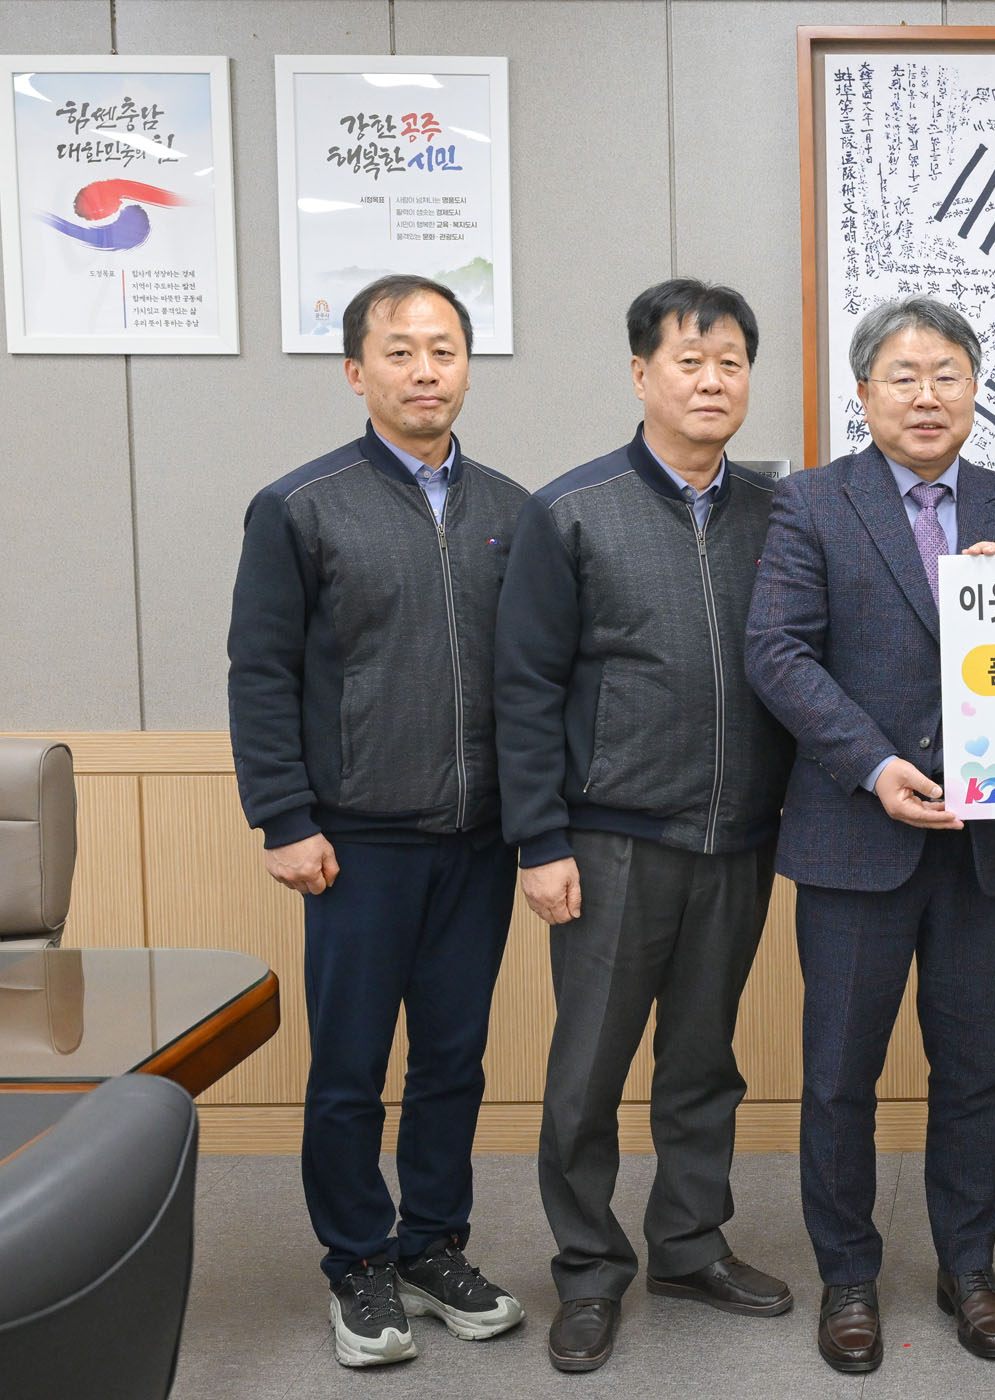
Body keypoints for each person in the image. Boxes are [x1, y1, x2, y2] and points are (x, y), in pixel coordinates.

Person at [745, 296, 995, 1375]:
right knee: (841, 1072)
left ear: (975, 388)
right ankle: (847, 1274)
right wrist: (877, 766)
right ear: (864, 394)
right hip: (854, 834)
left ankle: (970, 1265)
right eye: (903, 376)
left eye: (947, 375)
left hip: (979, 842)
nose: (927, 396)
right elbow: (778, 651)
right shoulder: (810, 502)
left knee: (973, 1070)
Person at [493, 279, 796, 1373]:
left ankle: (689, 1242)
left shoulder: (777, 512)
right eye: (688, 361)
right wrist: (540, 840)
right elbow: (524, 688)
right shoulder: (571, 511)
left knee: (705, 1061)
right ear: (640, 374)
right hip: (610, 841)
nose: (712, 382)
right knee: (588, 1070)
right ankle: (586, 1267)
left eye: (730, 364)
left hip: (740, 836)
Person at [228, 274, 528, 1368]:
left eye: (444, 350)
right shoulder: (299, 506)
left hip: (480, 838)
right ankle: (357, 1258)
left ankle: (432, 1243)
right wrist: (283, 816)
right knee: (351, 1063)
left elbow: (534, 677)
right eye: (400, 352)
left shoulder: (513, 512)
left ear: (468, 367)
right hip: (354, 842)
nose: (424, 371)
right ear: (357, 372)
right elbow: (259, 671)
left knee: (454, 1058)